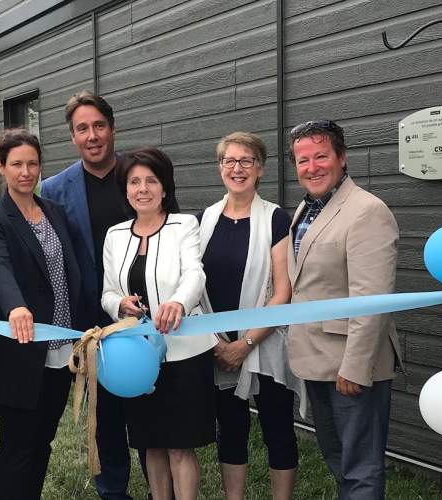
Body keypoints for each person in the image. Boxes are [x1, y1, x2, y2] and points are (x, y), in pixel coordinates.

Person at [286, 120, 401, 499]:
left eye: (321, 156)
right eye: (303, 160)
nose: (312, 167)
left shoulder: (367, 211)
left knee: (361, 468)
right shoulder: (307, 208)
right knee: (338, 459)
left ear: (342, 158)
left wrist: (354, 367)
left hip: (350, 365)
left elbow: (371, 299)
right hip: (316, 359)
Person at [0, 129, 82, 500]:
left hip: (61, 346)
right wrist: (16, 305)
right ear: (1, 166)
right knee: (18, 445)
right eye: (16, 164)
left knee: (43, 441)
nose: (25, 171)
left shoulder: (55, 211)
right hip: (18, 350)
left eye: (32, 163)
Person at [101, 147, 215, 500]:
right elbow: (107, 292)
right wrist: (118, 305)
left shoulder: (185, 225)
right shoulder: (115, 235)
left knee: (180, 447)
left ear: (165, 188)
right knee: (150, 445)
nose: (143, 189)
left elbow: (195, 273)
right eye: (134, 182)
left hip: (185, 355)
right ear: (126, 190)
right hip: (137, 358)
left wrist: (179, 302)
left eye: (151, 181)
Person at [197, 132, 303, 500]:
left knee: (278, 429)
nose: (237, 168)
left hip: (265, 342)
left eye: (246, 161)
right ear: (220, 167)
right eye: (229, 160)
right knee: (231, 429)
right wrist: (219, 344)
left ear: (260, 168)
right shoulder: (203, 220)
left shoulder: (276, 218)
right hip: (218, 346)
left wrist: (245, 343)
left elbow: (282, 291)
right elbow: (193, 287)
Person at [39, 91, 134, 500]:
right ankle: (113, 490)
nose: (92, 135)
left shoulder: (139, 174)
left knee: (148, 407)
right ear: (73, 136)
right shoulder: (54, 189)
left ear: (112, 128)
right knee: (107, 412)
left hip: (140, 312)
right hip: (90, 321)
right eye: (82, 128)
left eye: (99, 125)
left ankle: (161, 486)